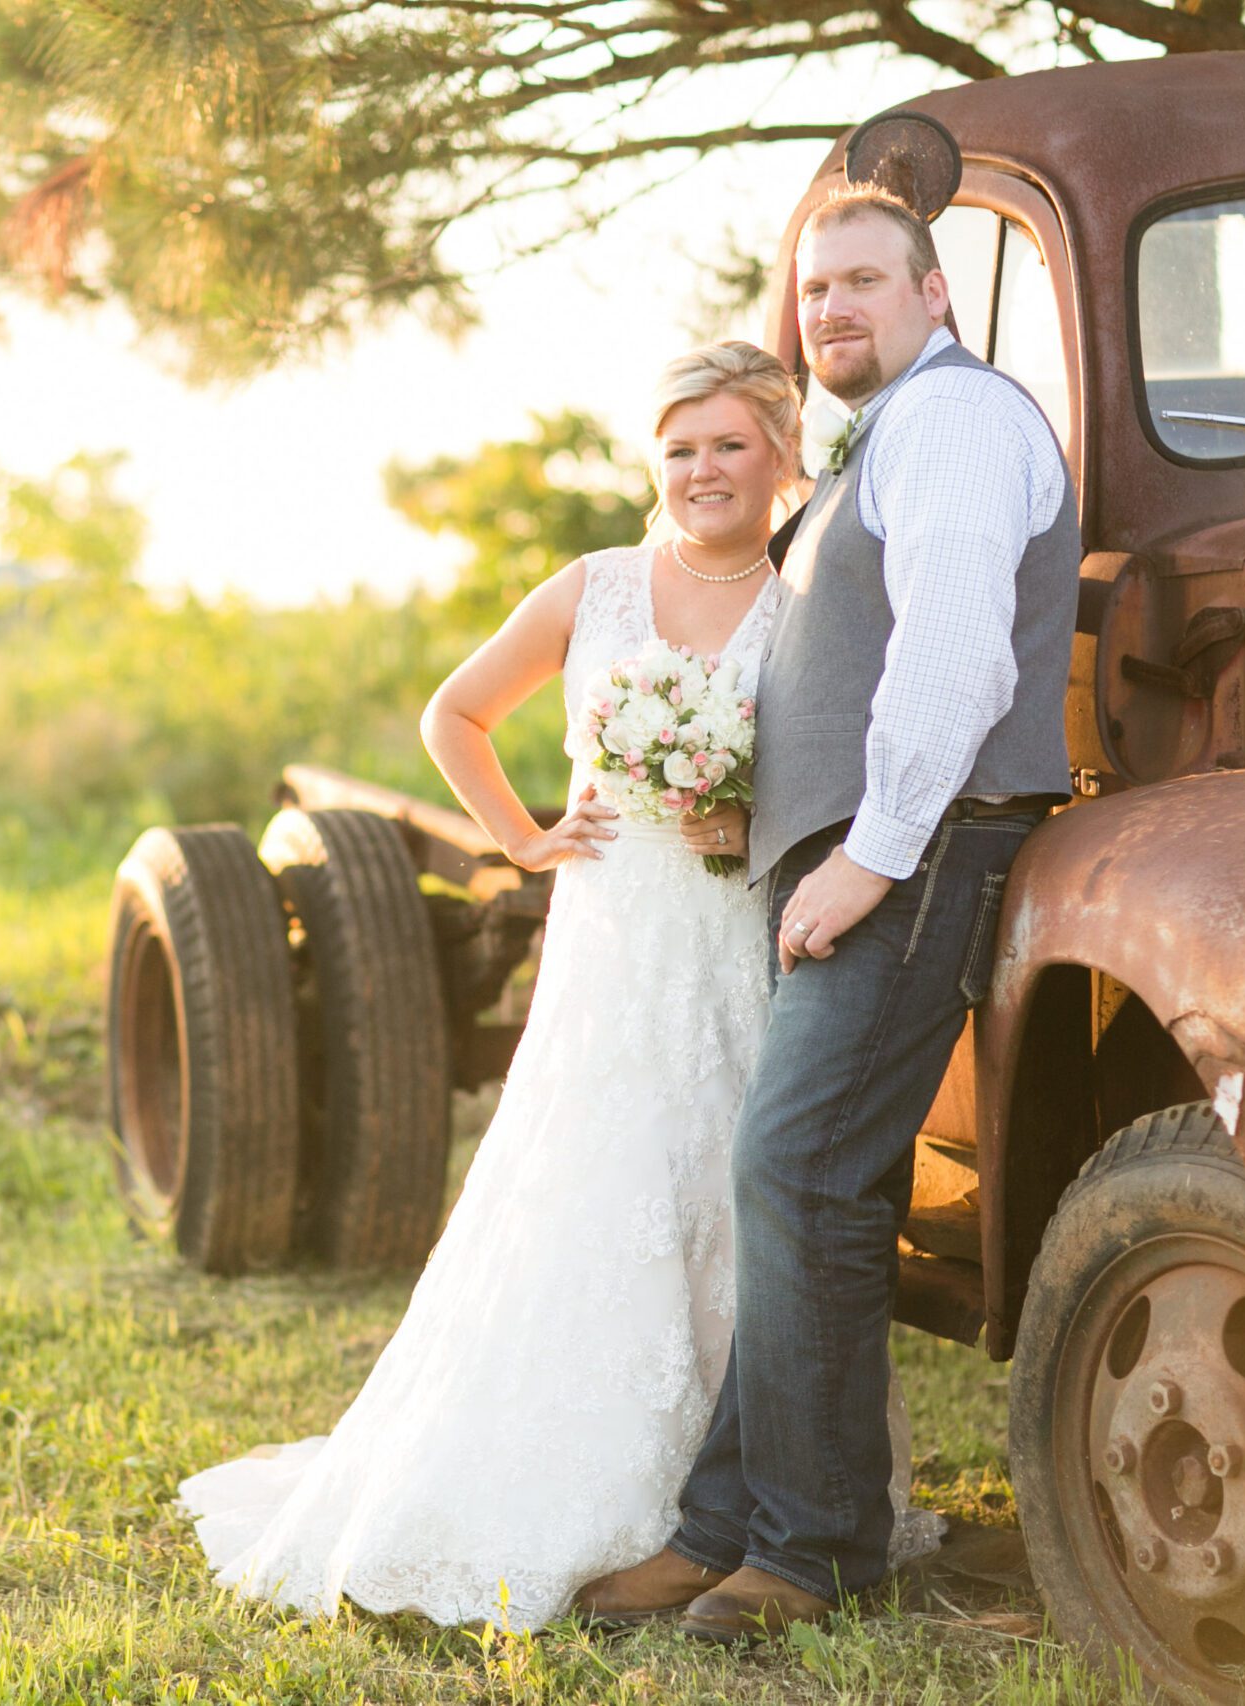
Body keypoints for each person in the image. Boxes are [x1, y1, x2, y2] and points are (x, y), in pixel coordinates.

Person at [175, 339, 939, 1631]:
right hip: (615, 932)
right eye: (681, 448)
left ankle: (754, 1503)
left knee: (735, 1188)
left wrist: (744, 819)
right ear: (657, 464)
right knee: (602, 1184)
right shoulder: (594, 587)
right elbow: (454, 713)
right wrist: (521, 840)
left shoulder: (808, 595)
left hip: (739, 933)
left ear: (780, 452)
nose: (704, 470)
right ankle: (589, 1486)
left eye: (730, 446)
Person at [586, 183, 1079, 1644]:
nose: (832, 311)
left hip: (924, 854)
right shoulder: (887, 436)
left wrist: (868, 852)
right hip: (870, 856)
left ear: (934, 296)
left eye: (864, 280)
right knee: (794, 1186)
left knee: (796, 1171)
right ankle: (726, 1526)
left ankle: (812, 1553)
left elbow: (952, 656)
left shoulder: (959, 421)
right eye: (812, 293)